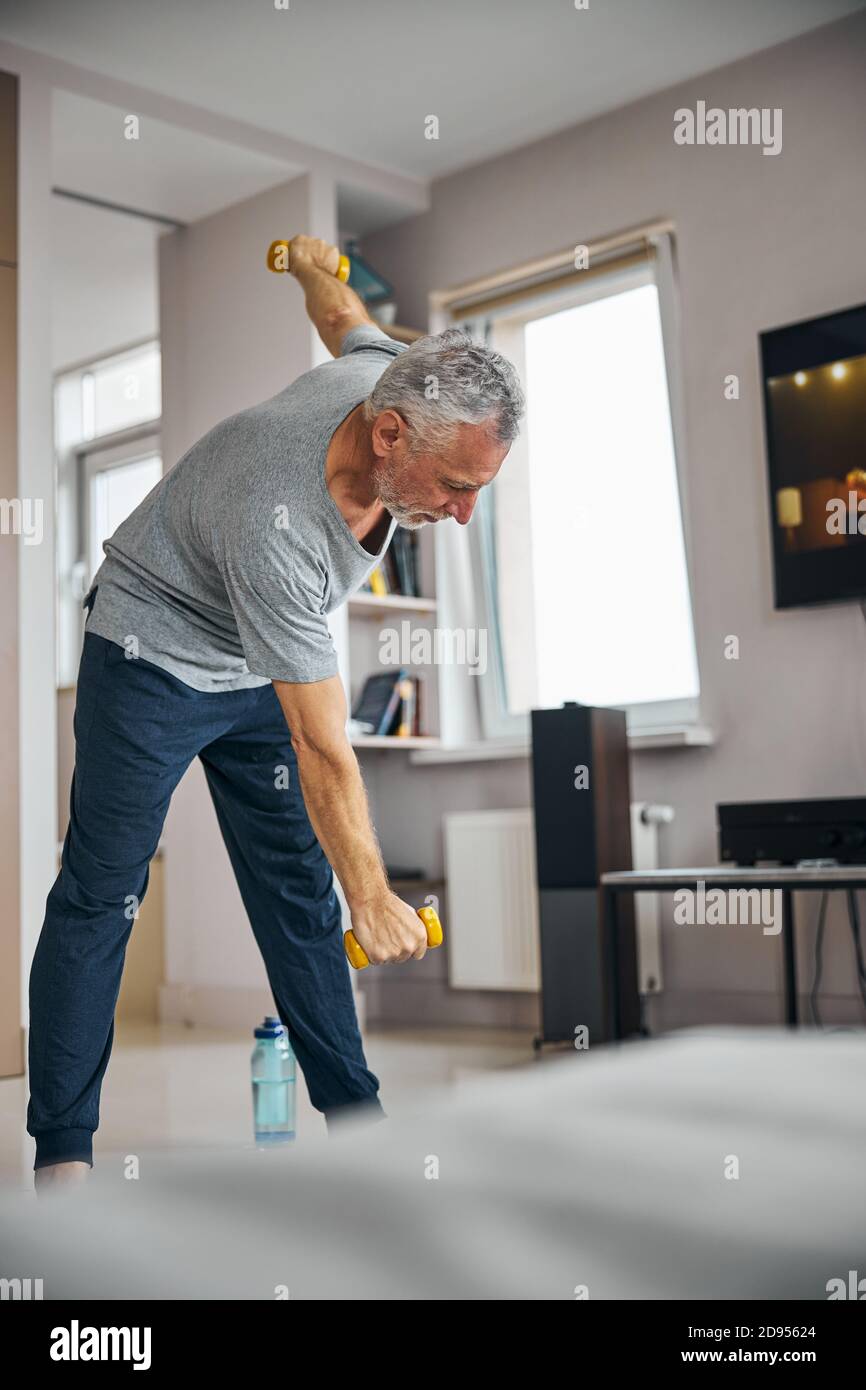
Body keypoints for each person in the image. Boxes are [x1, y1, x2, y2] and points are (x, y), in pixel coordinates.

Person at [28, 235, 524, 1190]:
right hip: (149, 650)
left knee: (295, 891)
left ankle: (360, 1129)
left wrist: (305, 265)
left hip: (246, 651)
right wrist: (373, 900)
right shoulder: (281, 519)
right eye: (456, 487)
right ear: (388, 437)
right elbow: (322, 750)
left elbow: (342, 318)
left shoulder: (388, 373)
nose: (462, 514)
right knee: (101, 891)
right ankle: (64, 1157)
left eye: (478, 490)